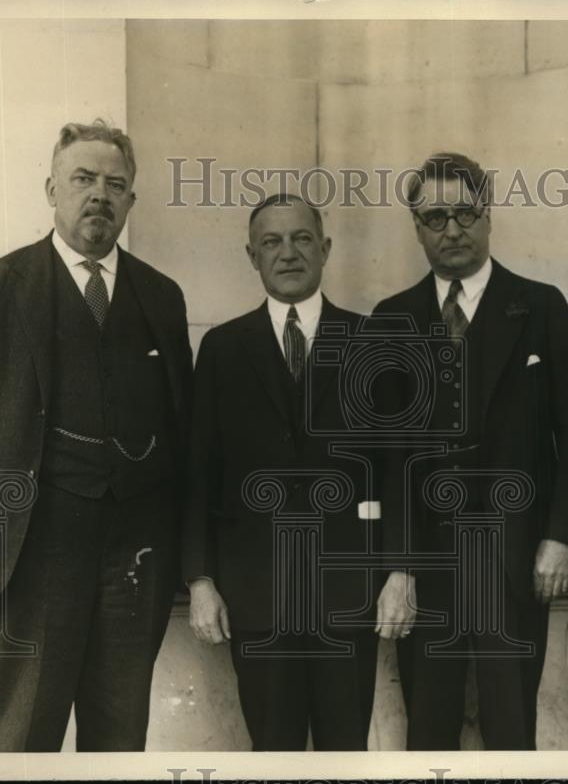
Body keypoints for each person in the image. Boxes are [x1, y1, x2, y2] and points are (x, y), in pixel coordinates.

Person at [0, 119, 193, 751]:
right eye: (83, 179)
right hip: (29, 552)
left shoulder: (161, 296)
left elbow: (179, 422)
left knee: (120, 739)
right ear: (51, 189)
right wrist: (2, 480)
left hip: (134, 558)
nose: (99, 195)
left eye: (115, 185)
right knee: (23, 740)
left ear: (131, 200)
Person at [371, 152, 568, 750]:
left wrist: (561, 537)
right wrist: (398, 566)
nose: (452, 229)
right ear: (417, 228)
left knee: (511, 728)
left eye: (465, 213)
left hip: (515, 556)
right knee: (428, 730)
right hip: (428, 564)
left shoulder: (541, 307)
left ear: (489, 217)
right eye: (435, 217)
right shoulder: (392, 320)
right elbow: (386, 460)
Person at [182, 193, 379, 751]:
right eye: (271, 242)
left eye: (301, 239)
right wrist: (199, 579)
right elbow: (199, 473)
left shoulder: (371, 340)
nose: (287, 253)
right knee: (272, 754)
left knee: (347, 754)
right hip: (257, 596)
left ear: (326, 249)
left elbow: (394, 467)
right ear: (252, 256)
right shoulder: (222, 348)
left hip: (346, 596)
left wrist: (398, 572)